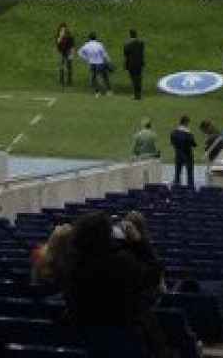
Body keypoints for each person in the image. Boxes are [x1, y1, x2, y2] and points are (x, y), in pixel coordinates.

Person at [53, 211, 169, 357]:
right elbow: (153, 274)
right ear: (107, 236)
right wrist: (139, 242)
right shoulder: (121, 263)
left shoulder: (71, 266)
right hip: (127, 340)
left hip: (89, 342)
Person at [170, 116, 197, 189]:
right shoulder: (188, 133)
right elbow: (194, 144)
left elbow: (172, 143)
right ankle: (191, 191)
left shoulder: (174, 132)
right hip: (188, 156)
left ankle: (176, 191)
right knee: (190, 175)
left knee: (177, 174)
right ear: (186, 122)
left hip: (178, 155)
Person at [123, 29, 146, 99]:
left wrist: (126, 65)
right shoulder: (141, 43)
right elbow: (142, 53)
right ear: (136, 34)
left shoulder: (127, 44)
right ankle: (139, 94)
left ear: (130, 35)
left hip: (131, 64)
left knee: (134, 79)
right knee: (139, 79)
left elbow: (126, 54)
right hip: (139, 63)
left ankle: (136, 95)